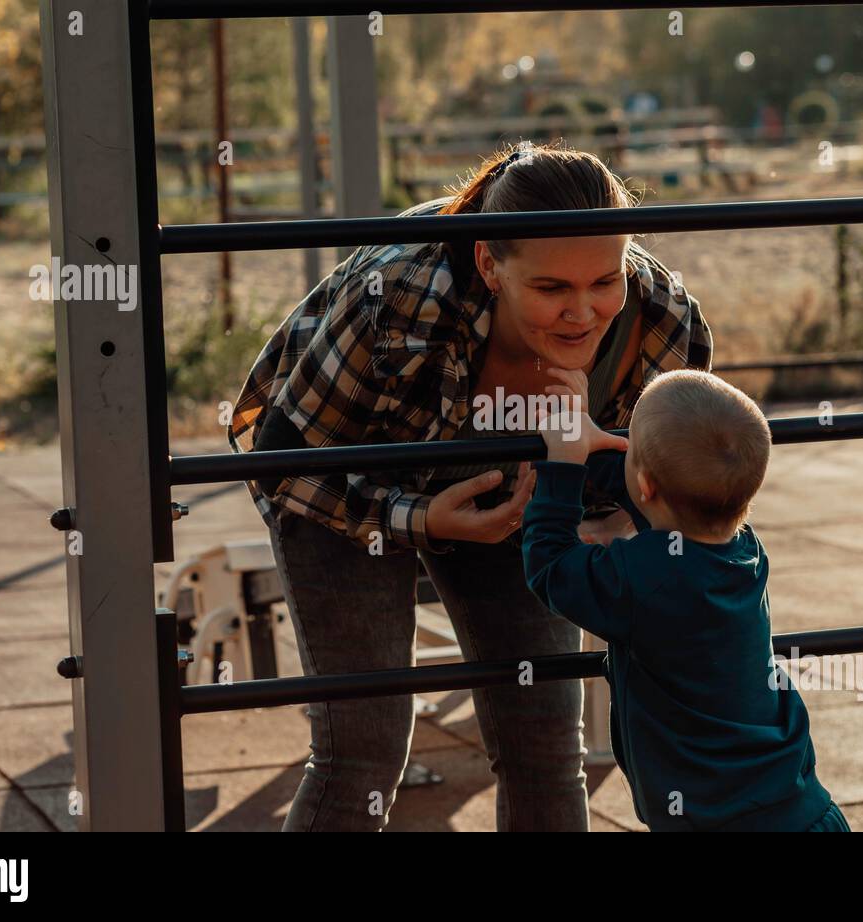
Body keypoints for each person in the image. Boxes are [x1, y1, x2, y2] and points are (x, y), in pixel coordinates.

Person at [227, 141, 713, 831]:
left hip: (515, 496)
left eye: (604, 281)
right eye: (551, 289)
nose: (583, 313)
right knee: (363, 749)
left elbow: (666, 478)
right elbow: (282, 460)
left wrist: (605, 507)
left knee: (545, 742)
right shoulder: (398, 297)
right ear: (489, 262)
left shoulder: (661, 318)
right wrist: (418, 519)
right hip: (345, 478)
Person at [521, 368, 849, 831]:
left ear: (646, 482)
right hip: (806, 812)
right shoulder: (746, 551)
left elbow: (550, 567)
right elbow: (665, 498)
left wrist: (563, 467)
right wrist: (594, 451)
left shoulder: (639, 578)